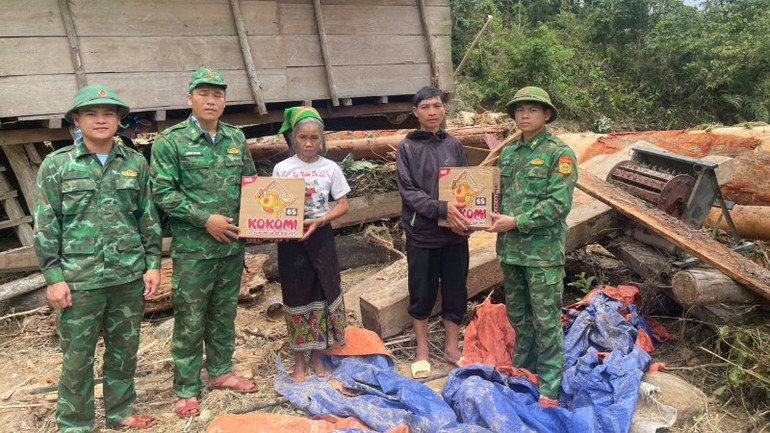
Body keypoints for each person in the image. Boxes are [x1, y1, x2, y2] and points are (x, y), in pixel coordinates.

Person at [34, 85, 162, 432]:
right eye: (92, 113)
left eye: (109, 113)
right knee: (77, 360)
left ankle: (121, 412)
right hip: (80, 280)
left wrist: (153, 263)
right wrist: (54, 276)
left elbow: (146, 218)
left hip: (126, 277)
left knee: (123, 352)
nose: (101, 120)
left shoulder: (135, 163)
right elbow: (46, 225)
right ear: (76, 119)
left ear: (119, 120)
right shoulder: (57, 165)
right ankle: (76, 424)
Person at [150, 67, 258, 418]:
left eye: (218, 95)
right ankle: (185, 388)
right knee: (190, 317)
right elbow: (163, 192)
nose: (211, 100)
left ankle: (221, 372)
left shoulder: (235, 138)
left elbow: (251, 184)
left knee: (224, 313)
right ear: (190, 99)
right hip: (194, 250)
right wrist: (204, 219)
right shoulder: (171, 141)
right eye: (204, 94)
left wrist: (262, 219)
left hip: (230, 247)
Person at [487, 86, 578, 407]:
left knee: (546, 320)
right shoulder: (509, 153)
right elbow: (498, 197)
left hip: (542, 254)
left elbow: (558, 205)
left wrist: (516, 221)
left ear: (547, 115)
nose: (524, 115)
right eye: (519, 110)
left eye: (532, 110)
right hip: (512, 252)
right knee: (519, 318)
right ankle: (524, 371)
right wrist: (482, 212)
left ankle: (550, 386)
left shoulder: (559, 153)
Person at [396, 86, 470, 379]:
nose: (431, 112)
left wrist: (468, 215)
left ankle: (452, 348)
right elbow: (408, 192)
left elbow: (466, 184)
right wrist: (442, 208)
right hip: (422, 234)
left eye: (436, 106)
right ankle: (422, 351)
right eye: (425, 107)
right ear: (415, 112)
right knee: (421, 292)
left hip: (454, 234)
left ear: (444, 109)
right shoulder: (407, 147)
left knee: (455, 292)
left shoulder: (454, 145)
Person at [272, 106, 350, 382]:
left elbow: (343, 205)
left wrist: (321, 220)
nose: (308, 143)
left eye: (314, 138)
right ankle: (299, 362)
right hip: (291, 242)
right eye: (303, 137)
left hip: (320, 237)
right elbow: (273, 206)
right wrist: (277, 228)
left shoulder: (330, 168)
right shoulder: (282, 168)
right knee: (295, 297)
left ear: (322, 139)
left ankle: (317, 357)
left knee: (320, 295)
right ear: (294, 138)